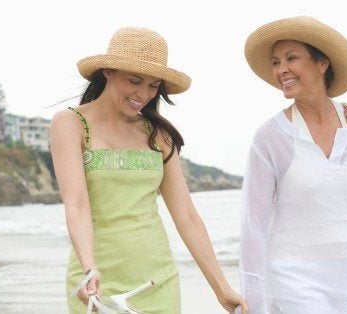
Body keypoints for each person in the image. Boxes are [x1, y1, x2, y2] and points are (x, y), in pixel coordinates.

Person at [51, 27, 248, 314]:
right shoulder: (70, 124)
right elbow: (77, 205)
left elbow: (187, 216)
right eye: (134, 81)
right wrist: (87, 268)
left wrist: (221, 287)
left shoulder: (158, 134)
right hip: (95, 283)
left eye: (153, 85)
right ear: (108, 71)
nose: (143, 94)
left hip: (157, 280)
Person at [239, 16, 347, 313]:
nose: (281, 70)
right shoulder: (270, 137)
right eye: (276, 62)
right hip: (293, 278)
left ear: (321, 63)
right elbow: (254, 221)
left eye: (291, 58)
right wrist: (251, 300)